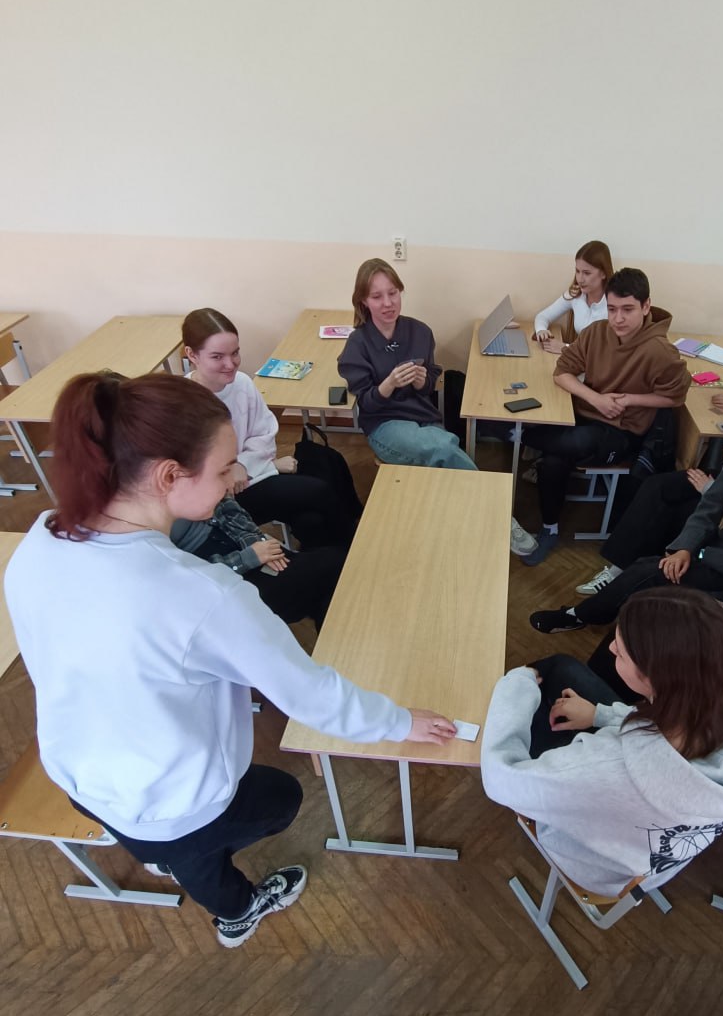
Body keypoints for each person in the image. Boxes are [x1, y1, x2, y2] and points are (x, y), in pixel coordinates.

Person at [4, 372, 456, 947]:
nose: (232, 481)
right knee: (276, 804)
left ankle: (169, 856)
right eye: (222, 470)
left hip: (78, 773)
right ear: (169, 475)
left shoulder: (43, 536)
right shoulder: (202, 595)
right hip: (169, 803)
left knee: (176, 839)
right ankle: (236, 910)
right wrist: (402, 721)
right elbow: (311, 696)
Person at [481, 588, 723, 896]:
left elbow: (499, 779)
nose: (611, 647)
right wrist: (600, 714)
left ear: (654, 676)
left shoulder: (607, 764)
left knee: (532, 696)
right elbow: (663, 725)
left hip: (594, 863)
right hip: (647, 853)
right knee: (563, 668)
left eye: (621, 653)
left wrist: (516, 682)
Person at [531, 389, 723, 634]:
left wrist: (697, 554)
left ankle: (579, 615)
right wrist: (685, 547)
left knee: (649, 571)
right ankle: (596, 608)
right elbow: (711, 505)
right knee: (658, 541)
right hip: (715, 551)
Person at [578, 331, 723, 596]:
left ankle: (641, 578)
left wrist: (709, 489)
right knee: (657, 486)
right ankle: (619, 570)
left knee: (677, 512)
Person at [514, 267, 691, 566]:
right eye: (612, 309)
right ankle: (550, 529)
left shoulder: (661, 351)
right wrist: (596, 398)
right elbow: (562, 372)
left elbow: (675, 396)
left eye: (627, 309)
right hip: (588, 414)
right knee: (553, 462)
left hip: (624, 431)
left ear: (646, 307)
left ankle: (514, 434)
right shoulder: (597, 332)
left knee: (578, 441)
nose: (618, 318)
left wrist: (630, 399)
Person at [183, 308, 354, 551]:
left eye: (235, 353)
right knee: (319, 491)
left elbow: (264, 433)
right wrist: (233, 471)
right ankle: (353, 548)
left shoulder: (242, 383)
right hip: (223, 499)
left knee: (311, 520)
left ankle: (337, 559)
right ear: (192, 354)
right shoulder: (181, 402)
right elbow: (190, 471)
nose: (230, 364)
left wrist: (243, 465)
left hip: (252, 474)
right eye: (217, 357)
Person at [337, 258, 476, 471]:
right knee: (445, 450)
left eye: (393, 293)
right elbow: (366, 404)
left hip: (425, 417)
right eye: (377, 296)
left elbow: (429, 385)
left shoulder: (420, 331)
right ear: (364, 301)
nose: (388, 303)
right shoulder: (358, 343)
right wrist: (389, 384)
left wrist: (422, 382)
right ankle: (484, 489)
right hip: (385, 424)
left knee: (443, 453)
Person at [171, 496, 347, 631]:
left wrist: (255, 540)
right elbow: (190, 581)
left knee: (328, 589)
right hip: (226, 581)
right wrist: (247, 558)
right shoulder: (154, 528)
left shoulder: (187, 470)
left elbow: (227, 505)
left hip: (246, 544)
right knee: (338, 567)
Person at [532, 240, 613, 355]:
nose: (580, 279)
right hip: (579, 359)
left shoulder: (615, 304)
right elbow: (543, 316)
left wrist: (565, 348)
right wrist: (541, 330)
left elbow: (605, 351)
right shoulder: (575, 294)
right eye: (577, 271)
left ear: (603, 273)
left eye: (587, 273)